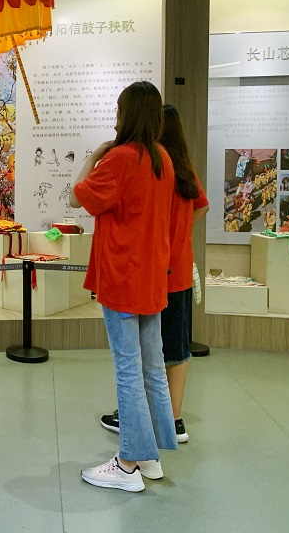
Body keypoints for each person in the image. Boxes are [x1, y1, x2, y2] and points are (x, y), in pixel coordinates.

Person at [71, 81, 177, 492]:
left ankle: (128, 463)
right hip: (151, 277)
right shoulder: (162, 158)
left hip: (122, 276)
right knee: (152, 368)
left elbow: (78, 197)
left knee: (128, 370)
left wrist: (94, 156)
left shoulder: (119, 159)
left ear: (126, 113)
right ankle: (149, 456)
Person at [99, 104, 209, 446]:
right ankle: (171, 422)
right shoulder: (182, 168)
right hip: (177, 268)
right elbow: (202, 206)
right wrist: (180, 237)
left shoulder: (154, 166)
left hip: (152, 271)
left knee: (138, 359)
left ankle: (143, 426)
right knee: (174, 349)